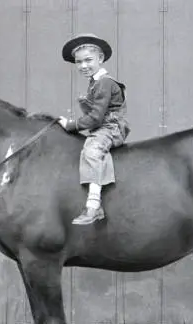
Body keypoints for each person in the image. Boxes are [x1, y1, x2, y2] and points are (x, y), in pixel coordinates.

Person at [58, 33, 130, 225]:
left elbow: (96, 118)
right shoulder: (94, 83)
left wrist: (71, 125)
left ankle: (94, 205)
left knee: (92, 150)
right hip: (101, 127)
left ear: (101, 58)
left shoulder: (105, 83)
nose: (83, 66)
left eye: (88, 60)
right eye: (78, 62)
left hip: (111, 128)